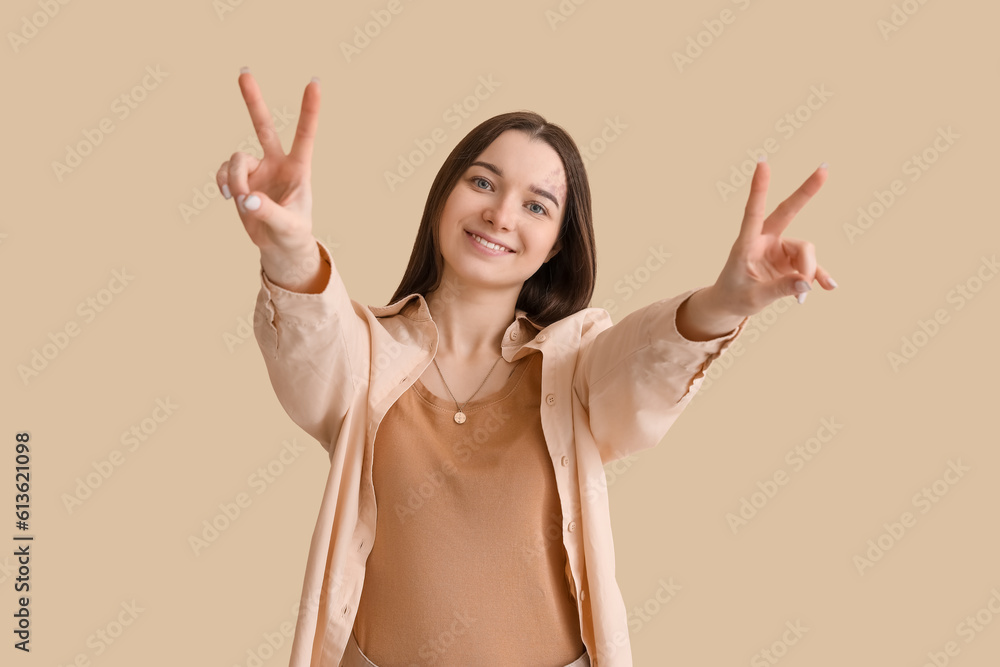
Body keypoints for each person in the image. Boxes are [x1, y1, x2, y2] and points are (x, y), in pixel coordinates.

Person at [216, 67, 837, 667]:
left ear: (559, 243)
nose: (502, 215)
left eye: (537, 207)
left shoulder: (577, 364)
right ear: (443, 195)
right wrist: (290, 247)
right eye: (483, 183)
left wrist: (723, 302)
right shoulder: (366, 353)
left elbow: (644, 364)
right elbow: (310, 339)